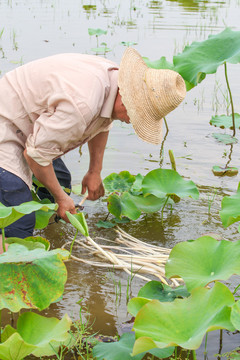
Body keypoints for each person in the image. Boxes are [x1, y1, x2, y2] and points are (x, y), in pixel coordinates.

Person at [0, 47, 186, 252]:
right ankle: (11, 266)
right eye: (135, 115)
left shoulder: (113, 80)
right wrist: (62, 199)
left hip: (30, 122)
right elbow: (35, 155)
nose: (130, 121)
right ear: (126, 100)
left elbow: (103, 122)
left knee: (60, 181)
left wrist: (94, 171)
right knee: (19, 221)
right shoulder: (82, 105)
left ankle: (48, 236)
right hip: (6, 123)